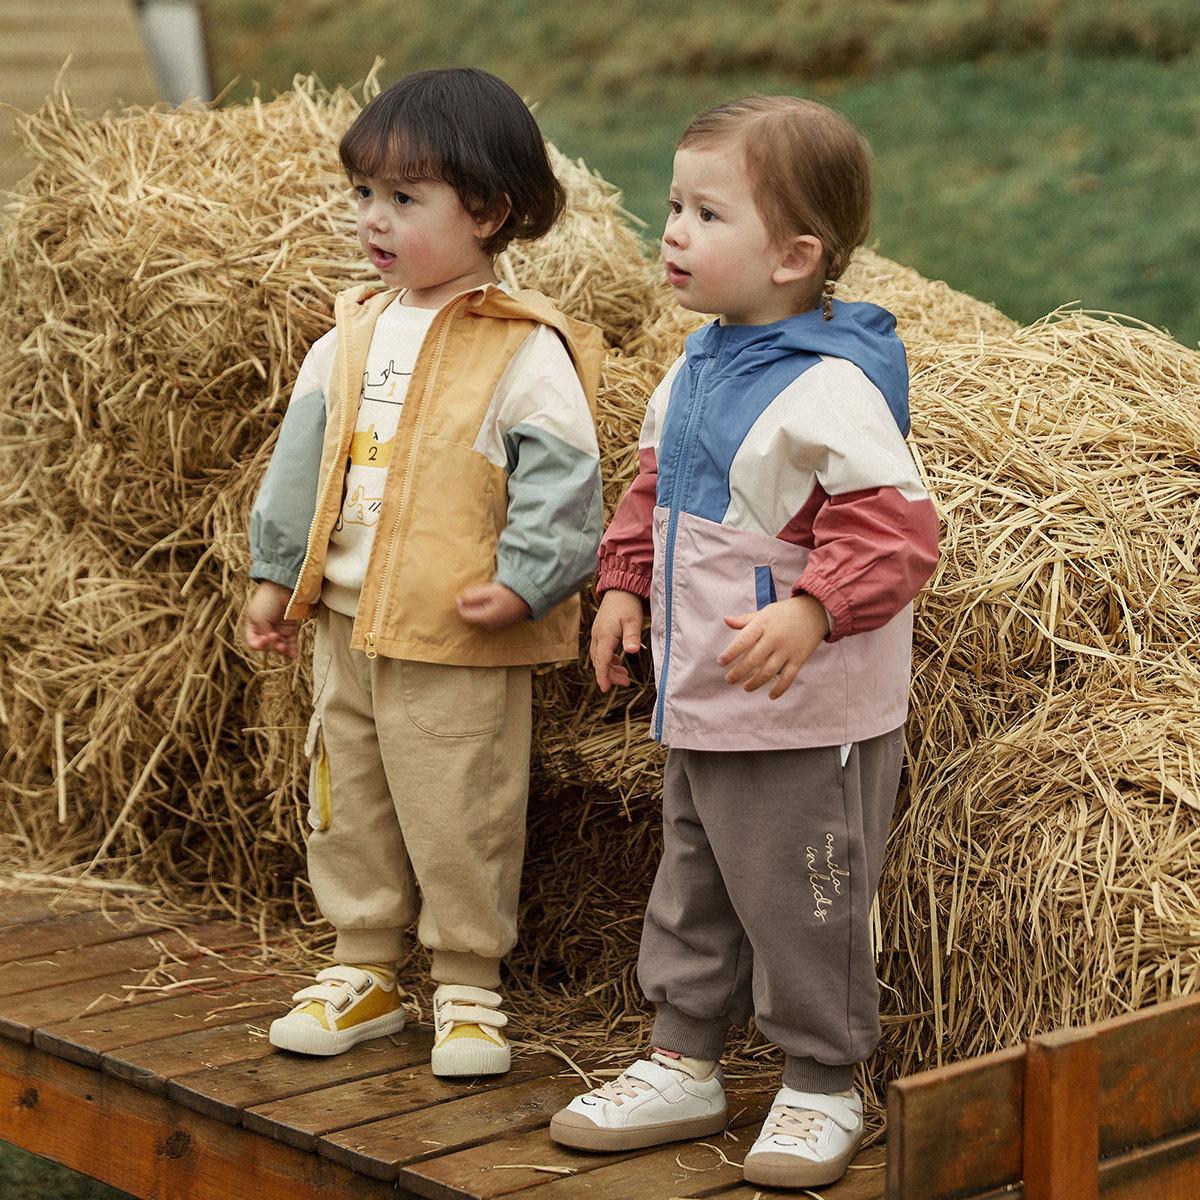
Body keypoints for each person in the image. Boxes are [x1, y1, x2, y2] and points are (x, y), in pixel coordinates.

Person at [549, 95, 939, 1189]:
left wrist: (813, 606)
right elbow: (652, 490)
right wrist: (622, 588)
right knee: (696, 880)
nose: (671, 230)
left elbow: (897, 529)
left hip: (806, 714)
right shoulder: (698, 363)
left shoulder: (832, 387)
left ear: (794, 255)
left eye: (705, 214)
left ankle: (824, 1081)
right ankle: (684, 1058)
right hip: (707, 698)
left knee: (804, 891)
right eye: (674, 206)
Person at [243, 67, 604, 1077]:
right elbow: (300, 464)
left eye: (405, 199)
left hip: (456, 630)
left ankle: (468, 987)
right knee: (345, 796)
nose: (374, 218)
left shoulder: (524, 352)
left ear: (486, 211)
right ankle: (363, 967)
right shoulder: (349, 333)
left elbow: (565, 484)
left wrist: (531, 581)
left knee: (460, 806)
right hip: (345, 624)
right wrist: (276, 576)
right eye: (365, 194)